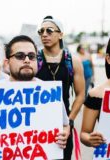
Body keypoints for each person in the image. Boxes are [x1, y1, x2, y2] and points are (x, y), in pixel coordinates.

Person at [0, 35, 70, 159]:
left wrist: (64, 134)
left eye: (32, 56)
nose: (27, 60)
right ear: (7, 62)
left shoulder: (50, 93)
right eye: (20, 56)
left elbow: (65, 125)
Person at [36, 15, 85, 159]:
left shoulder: (72, 61)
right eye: (41, 31)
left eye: (49, 31)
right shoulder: (34, 60)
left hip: (63, 125)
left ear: (60, 34)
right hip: (37, 123)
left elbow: (81, 94)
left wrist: (69, 121)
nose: (44, 34)